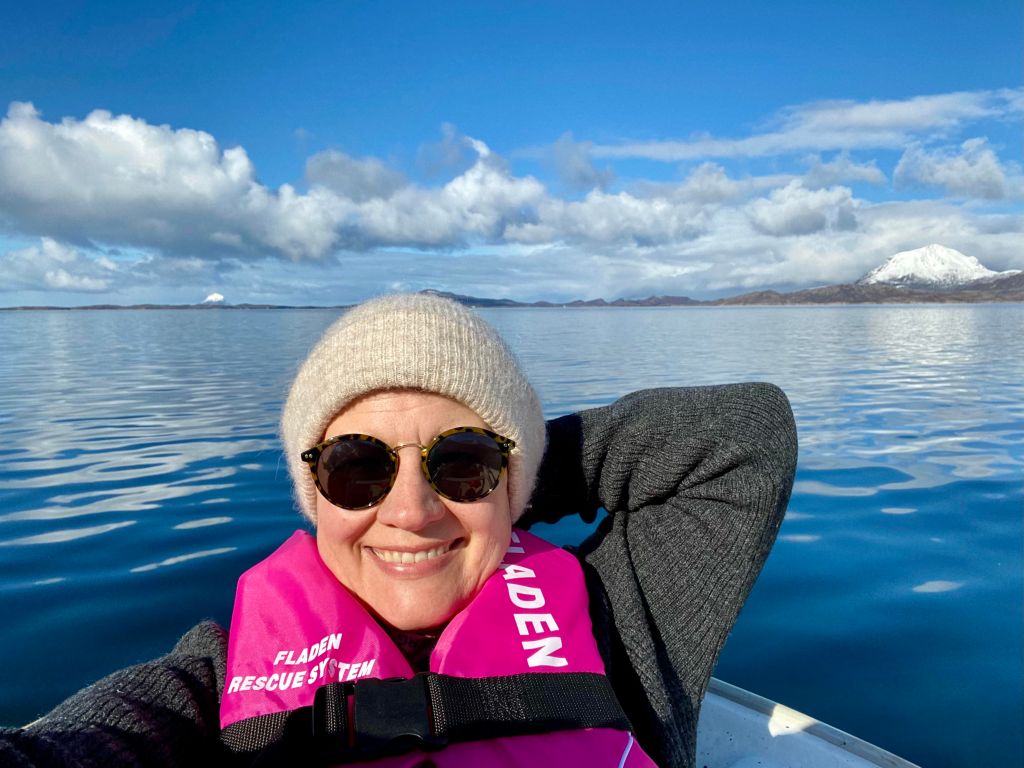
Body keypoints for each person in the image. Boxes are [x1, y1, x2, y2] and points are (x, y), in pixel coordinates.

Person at [0, 293, 798, 768]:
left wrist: (507, 488)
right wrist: (479, 479)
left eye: (463, 461)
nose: (412, 511)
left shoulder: (618, 616)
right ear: (315, 497)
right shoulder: (207, 677)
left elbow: (743, 436)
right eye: (357, 469)